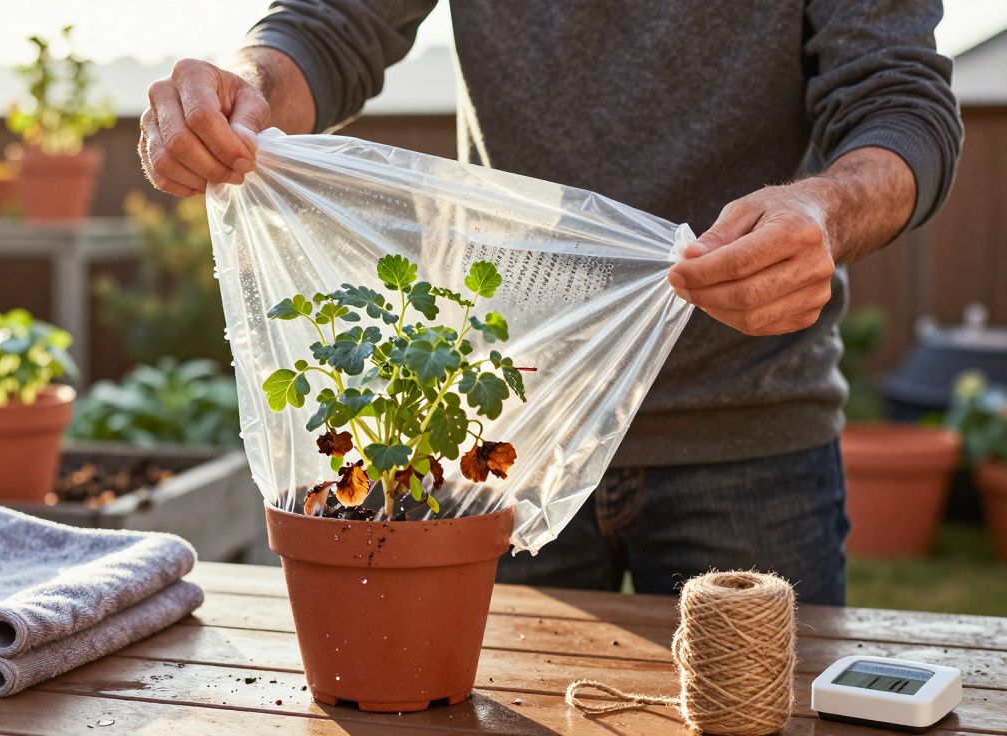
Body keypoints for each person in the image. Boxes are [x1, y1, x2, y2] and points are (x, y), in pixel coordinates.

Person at [138, 1, 962, 605]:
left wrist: (822, 206)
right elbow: (332, 27)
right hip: (504, 436)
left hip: (745, 430)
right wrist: (239, 92)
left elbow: (901, 104)